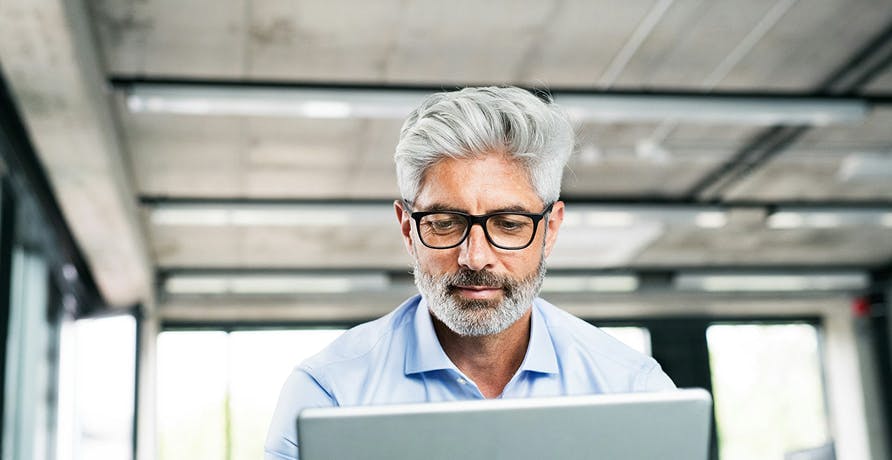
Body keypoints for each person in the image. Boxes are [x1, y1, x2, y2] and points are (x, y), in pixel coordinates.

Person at [264, 86, 675, 459]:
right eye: (444, 222)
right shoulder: (328, 394)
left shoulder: (632, 388)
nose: (475, 258)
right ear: (409, 229)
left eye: (509, 224)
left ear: (549, 230)